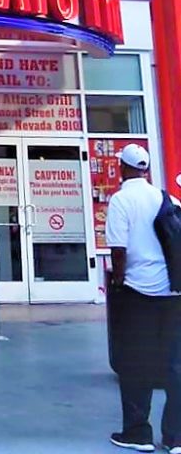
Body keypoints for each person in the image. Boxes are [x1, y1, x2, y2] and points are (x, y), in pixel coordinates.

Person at [106, 143, 181, 452]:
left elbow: (119, 250)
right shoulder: (169, 199)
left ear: (122, 168)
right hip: (173, 293)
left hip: (138, 292)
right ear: (146, 169)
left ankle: (138, 433)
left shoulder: (121, 200)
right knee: (176, 364)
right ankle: (176, 436)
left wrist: (119, 283)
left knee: (135, 361)